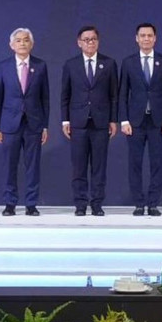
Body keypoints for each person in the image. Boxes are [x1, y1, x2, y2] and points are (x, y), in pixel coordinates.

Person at [61, 26, 118, 216]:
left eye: (93, 39)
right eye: (86, 39)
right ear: (79, 43)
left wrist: (113, 120)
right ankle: (80, 204)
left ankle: (96, 203)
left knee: (99, 166)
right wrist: (64, 121)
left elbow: (114, 96)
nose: (90, 42)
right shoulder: (71, 65)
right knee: (79, 166)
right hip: (78, 122)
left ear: (98, 41)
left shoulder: (108, 64)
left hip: (101, 122)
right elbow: (65, 95)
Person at [119, 22, 162, 216]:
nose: (146, 39)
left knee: (157, 163)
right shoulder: (129, 62)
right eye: (142, 36)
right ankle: (139, 204)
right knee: (135, 163)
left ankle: (153, 204)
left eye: (149, 35)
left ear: (155, 38)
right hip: (135, 122)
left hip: (158, 122)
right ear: (136, 38)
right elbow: (123, 93)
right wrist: (124, 120)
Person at [0, 27, 50, 217]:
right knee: (10, 165)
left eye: (26, 40)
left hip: (34, 123)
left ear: (32, 44)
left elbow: (45, 98)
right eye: (18, 40)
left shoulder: (40, 66)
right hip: (10, 123)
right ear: (11, 45)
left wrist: (45, 125)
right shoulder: (3, 66)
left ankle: (31, 204)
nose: (22, 43)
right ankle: (10, 203)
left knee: (33, 165)